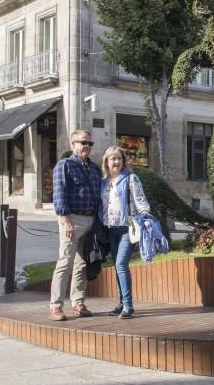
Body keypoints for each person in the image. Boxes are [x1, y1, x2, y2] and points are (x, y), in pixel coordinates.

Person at [50, 129, 101, 322]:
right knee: (65, 263)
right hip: (72, 220)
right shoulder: (65, 165)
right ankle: (55, 306)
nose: (86, 146)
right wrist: (66, 221)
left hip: (90, 220)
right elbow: (59, 195)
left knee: (81, 264)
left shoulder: (94, 169)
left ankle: (78, 302)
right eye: (82, 142)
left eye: (89, 143)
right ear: (73, 144)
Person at [99, 146, 150, 319]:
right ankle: (122, 302)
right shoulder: (104, 181)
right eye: (113, 159)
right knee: (117, 266)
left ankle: (128, 305)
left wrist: (145, 218)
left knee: (121, 265)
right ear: (106, 161)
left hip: (127, 228)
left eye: (119, 158)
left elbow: (141, 200)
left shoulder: (130, 179)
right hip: (110, 229)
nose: (116, 162)